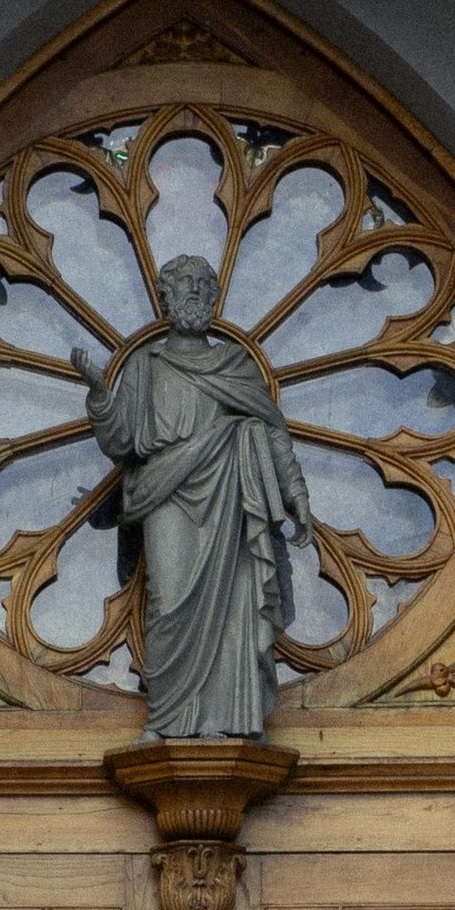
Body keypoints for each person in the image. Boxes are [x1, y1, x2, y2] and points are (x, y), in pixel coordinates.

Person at [75, 254, 315, 737]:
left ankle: (225, 720)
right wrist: (100, 395)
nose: (194, 293)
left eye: (203, 286)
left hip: (228, 491)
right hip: (164, 492)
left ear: (214, 299)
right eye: (184, 284)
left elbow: (271, 428)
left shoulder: (234, 364)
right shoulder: (145, 366)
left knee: (232, 604)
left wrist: (295, 492)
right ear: (165, 298)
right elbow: (121, 441)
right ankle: (169, 720)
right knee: (168, 602)